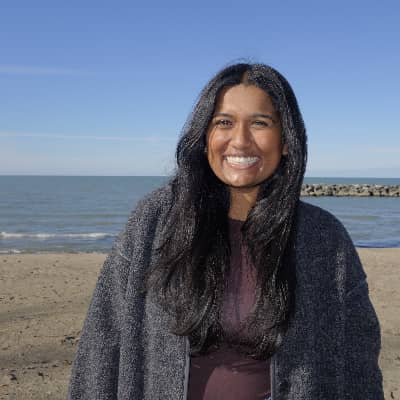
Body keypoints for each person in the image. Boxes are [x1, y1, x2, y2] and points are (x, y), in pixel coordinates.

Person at [67, 63, 383, 399]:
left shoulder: (324, 238)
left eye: (260, 123)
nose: (240, 141)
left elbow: (359, 359)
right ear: (205, 137)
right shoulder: (154, 221)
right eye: (224, 122)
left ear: (287, 141)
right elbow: (103, 340)